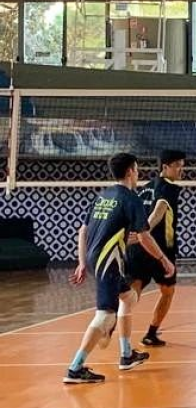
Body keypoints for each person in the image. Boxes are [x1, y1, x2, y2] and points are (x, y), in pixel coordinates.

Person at [64, 153, 175, 384]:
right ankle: (75, 368)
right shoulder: (130, 198)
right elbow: (144, 237)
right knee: (104, 315)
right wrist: (164, 260)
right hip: (109, 260)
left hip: (97, 257)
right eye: (136, 169)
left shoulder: (103, 195)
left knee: (128, 298)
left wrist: (82, 262)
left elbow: (83, 230)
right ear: (130, 172)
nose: (138, 173)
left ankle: (126, 354)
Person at [126, 149, 185, 347]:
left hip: (136, 249)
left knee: (133, 292)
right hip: (158, 248)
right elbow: (159, 210)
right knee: (168, 291)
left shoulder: (145, 188)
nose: (180, 170)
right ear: (165, 167)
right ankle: (151, 333)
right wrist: (145, 231)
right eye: (177, 166)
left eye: (182, 165)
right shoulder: (169, 187)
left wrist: (136, 234)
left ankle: (109, 325)